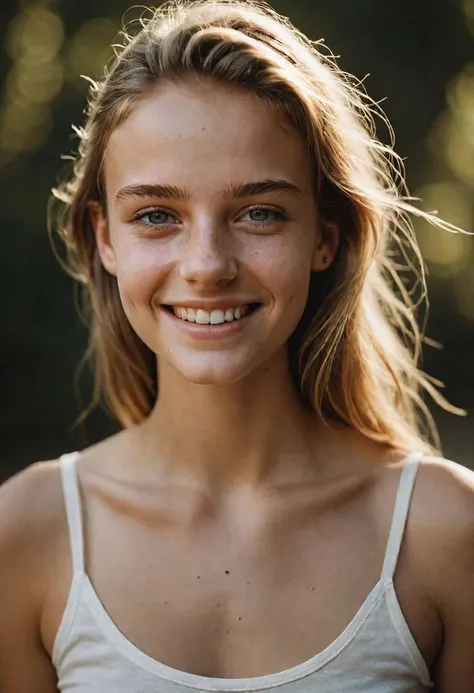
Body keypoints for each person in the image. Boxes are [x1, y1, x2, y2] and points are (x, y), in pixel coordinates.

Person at [0, 0, 473, 690]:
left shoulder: (445, 533)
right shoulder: (26, 535)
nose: (206, 264)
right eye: (157, 215)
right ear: (105, 238)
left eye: (259, 212)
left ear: (325, 235)